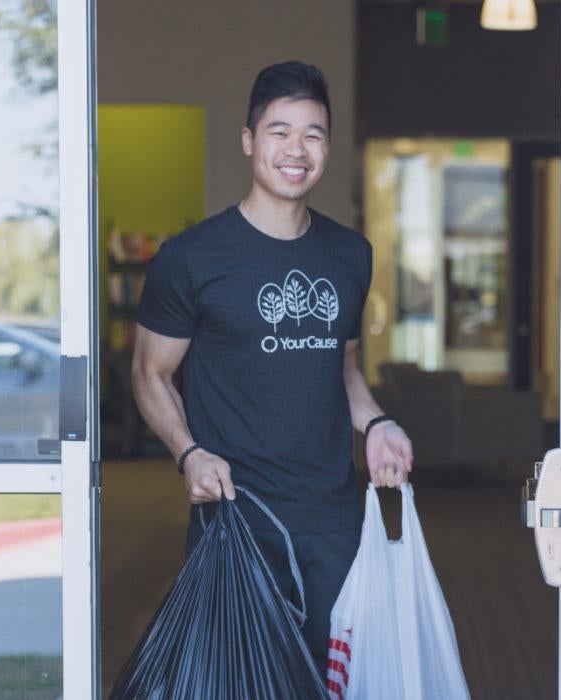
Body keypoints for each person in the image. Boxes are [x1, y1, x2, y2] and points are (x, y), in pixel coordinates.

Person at [131, 61, 414, 680]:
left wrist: (379, 424)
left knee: (334, 680)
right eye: (280, 131)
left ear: (328, 147)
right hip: (238, 517)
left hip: (335, 520)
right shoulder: (193, 258)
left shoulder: (350, 254)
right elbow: (151, 374)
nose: (296, 149)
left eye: (313, 134)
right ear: (249, 140)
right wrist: (188, 453)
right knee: (241, 681)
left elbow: (339, 368)